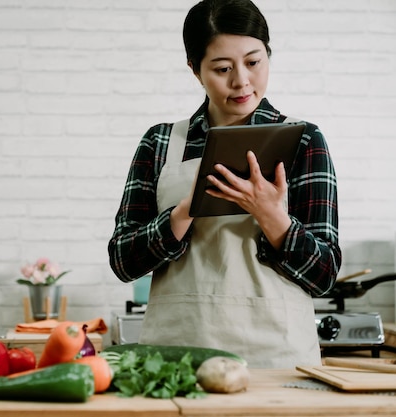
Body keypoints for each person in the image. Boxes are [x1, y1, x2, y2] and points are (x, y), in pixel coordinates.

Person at [108, 0, 341, 368]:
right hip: (177, 357)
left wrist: (271, 217)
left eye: (253, 62)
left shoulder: (304, 141)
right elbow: (123, 261)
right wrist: (183, 213)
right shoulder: (161, 143)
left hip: (277, 359)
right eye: (221, 68)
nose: (241, 81)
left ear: (268, 55)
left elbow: (325, 274)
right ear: (195, 70)